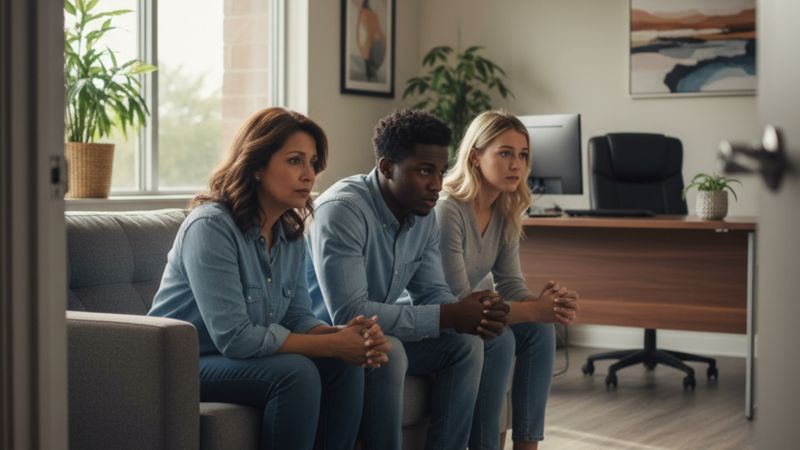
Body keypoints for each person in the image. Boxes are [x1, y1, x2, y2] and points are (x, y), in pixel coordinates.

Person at [148, 107, 389, 450]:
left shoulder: (289, 235)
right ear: (257, 166)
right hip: (181, 365)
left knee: (345, 365)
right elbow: (237, 338)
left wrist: (348, 337)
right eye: (295, 161)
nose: (309, 175)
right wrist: (332, 344)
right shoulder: (211, 227)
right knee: (296, 373)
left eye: (313, 163)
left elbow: (297, 318)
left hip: (234, 359)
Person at [305, 108, 513, 450]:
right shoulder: (343, 210)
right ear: (387, 167)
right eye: (425, 171)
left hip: (380, 331)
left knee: (466, 345)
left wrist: (476, 311)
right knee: (392, 351)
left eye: (441, 172)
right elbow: (349, 312)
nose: (437, 184)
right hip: (330, 337)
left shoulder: (423, 214)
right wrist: (450, 315)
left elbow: (431, 291)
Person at [437, 110, 580, 450]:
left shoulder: (504, 210)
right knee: (501, 337)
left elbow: (510, 283)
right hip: (441, 314)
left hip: (477, 310)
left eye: (523, 155)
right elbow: (459, 301)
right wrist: (535, 309)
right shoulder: (448, 210)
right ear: (475, 156)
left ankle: (527, 445)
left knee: (540, 329)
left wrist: (546, 305)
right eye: (505, 153)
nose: (517, 165)